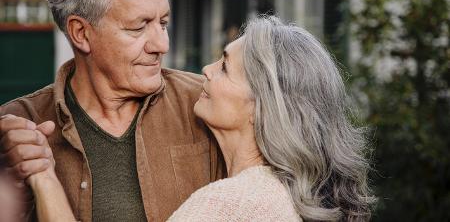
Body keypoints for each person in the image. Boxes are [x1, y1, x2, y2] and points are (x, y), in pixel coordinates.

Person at [27, 16, 376, 221]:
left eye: (224, 67)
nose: (206, 71)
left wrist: (43, 175)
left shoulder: (233, 204)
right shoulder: (283, 196)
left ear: (261, 106)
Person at [0, 0, 224, 222]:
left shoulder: (206, 103)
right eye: (138, 27)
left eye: (163, 23)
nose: (161, 45)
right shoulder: (17, 129)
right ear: (81, 33)